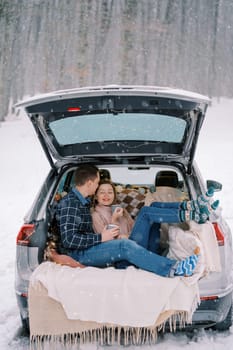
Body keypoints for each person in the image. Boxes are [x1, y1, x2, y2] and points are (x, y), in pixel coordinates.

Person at [54, 164, 211, 278]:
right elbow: (69, 240)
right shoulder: (70, 203)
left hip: (95, 249)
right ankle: (173, 269)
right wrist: (102, 237)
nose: (97, 187)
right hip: (81, 255)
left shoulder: (82, 202)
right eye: (96, 184)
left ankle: (191, 208)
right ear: (89, 183)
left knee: (151, 208)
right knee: (128, 239)